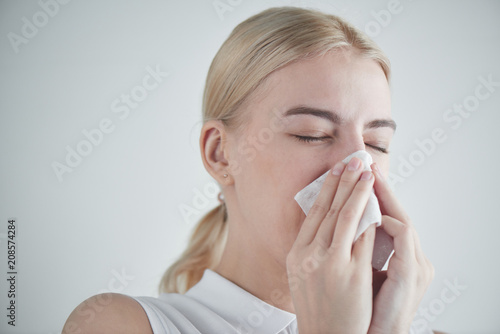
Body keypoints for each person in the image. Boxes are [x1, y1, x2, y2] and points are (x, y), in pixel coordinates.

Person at [64, 6, 440, 334]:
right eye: (312, 135)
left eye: (377, 144)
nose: (359, 168)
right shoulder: (120, 324)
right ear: (220, 155)